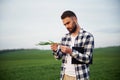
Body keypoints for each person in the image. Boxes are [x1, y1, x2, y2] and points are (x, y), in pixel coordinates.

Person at [51, 10, 94, 80]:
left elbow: (88, 59)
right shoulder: (64, 37)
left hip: (81, 76)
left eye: (68, 23)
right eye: (65, 24)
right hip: (65, 76)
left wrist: (71, 51)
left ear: (75, 19)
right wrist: (55, 50)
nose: (67, 26)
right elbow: (58, 57)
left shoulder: (88, 36)